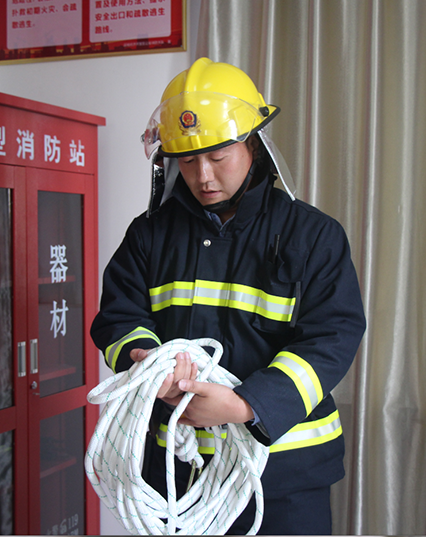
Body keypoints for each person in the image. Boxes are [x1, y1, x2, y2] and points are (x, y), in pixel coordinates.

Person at [90, 57, 366, 535]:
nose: (203, 176)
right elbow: (119, 317)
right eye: (188, 160)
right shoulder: (149, 235)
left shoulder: (312, 235)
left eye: (218, 157)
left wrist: (247, 406)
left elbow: (332, 337)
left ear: (253, 145)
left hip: (284, 475)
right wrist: (149, 364)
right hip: (179, 470)